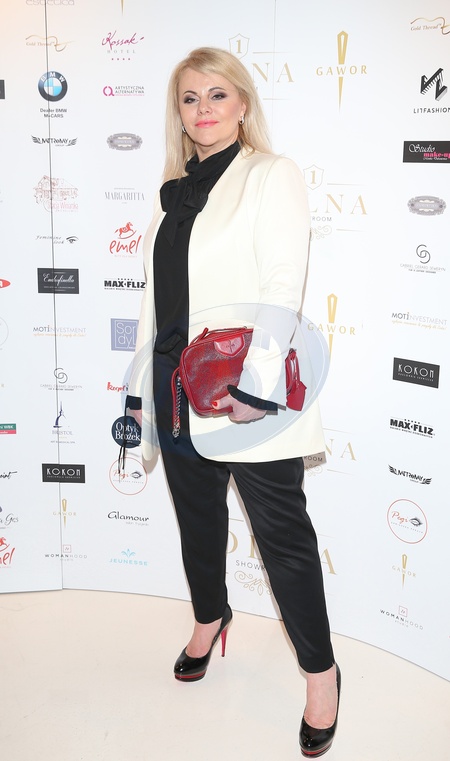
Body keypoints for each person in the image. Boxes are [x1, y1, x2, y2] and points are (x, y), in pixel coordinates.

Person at [125, 46, 340, 757]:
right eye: (190, 98)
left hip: (242, 390)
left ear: (243, 104)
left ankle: (321, 673)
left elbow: (283, 281)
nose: (204, 109)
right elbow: (158, 305)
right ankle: (210, 617)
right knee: (198, 523)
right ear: (179, 113)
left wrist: (257, 384)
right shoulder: (174, 193)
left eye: (218, 94)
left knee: (283, 540)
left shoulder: (271, 175)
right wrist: (138, 395)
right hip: (174, 388)